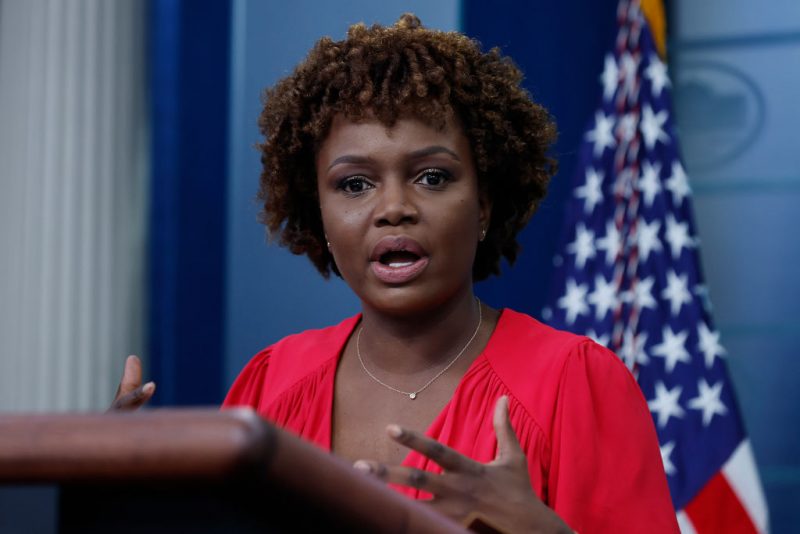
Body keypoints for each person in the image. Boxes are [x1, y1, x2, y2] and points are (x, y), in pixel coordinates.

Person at [114, 14, 679, 533]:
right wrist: (107, 485)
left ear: (484, 204)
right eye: (354, 184)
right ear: (320, 214)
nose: (393, 208)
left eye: (432, 176)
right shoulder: (271, 384)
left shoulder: (573, 382)